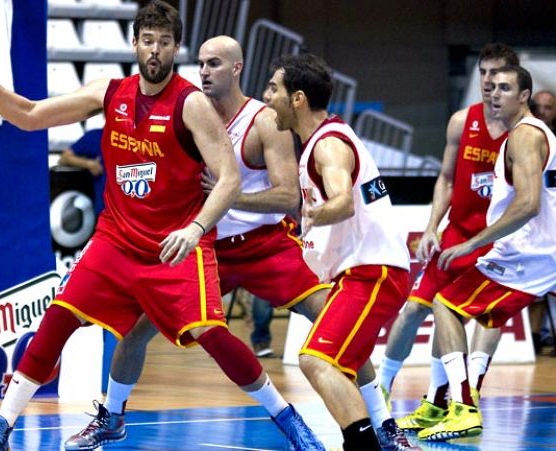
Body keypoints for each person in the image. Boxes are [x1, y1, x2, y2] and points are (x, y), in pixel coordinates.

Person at [0, 4, 322, 451]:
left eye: (165, 42)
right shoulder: (109, 92)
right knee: (57, 318)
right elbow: (30, 114)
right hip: (116, 240)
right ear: (134, 43)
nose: (156, 50)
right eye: (148, 40)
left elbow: (229, 179)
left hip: (173, 245)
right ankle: (1, 426)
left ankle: (288, 419)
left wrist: (196, 228)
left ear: (176, 48)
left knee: (212, 334)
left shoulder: (191, 104)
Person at [66, 36, 417, 451]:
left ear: (236, 68)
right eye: (200, 63)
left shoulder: (264, 120)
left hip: (266, 245)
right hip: (210, 247)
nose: (203, 71)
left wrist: (232, 196)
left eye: (214, 63)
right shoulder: (186, 111)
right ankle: (112, 415)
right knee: (137, 329)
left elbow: (288, 196)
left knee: (332, 322)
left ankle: (384, 424)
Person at [264, 53, 412, 451]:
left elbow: (343, 201)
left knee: (317, 360)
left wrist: (317, 212)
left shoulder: (328, 145)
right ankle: (380, 433)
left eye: (273, 89)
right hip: (363, 272)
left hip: (373, 271)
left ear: (297, 99)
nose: (266, 97)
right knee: (340, 364)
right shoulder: (322, 139)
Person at [375, 43, 519, 432]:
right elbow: (445, 178)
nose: (488, 82)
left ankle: (459, 399)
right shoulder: (461, 122)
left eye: (496, 74)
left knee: (484, 317)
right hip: (457, 238)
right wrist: (431, 226)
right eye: (483, 73)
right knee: (413, 310)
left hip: (498, 243)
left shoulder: (525, 132)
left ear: (513, 80)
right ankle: (380, 391)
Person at [418, 65, 556, 442]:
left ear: (525, 96)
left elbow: (528, 204)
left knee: (446, 305)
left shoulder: (524, 135)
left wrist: (472, 243)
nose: (495, 94)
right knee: (483, 316)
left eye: (505, 88)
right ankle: (445, 399)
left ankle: (462, 408)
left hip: (528, 254)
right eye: (492, 87)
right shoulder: (531, 134)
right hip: (540, 252)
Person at [57, 128, 105, 216]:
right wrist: (89, 164)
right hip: (105, 209)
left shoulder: (131, 139)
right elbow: (65, 158)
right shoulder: (96, 136)